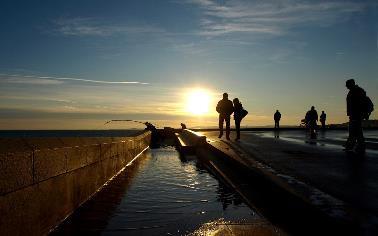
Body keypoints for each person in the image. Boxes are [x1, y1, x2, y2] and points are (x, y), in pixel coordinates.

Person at [344, 79, 366, 153]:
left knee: (356, 131)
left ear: (351, 84)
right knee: (354, 130)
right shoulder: (353, 91)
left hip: (357, 114)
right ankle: (353, 146)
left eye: (347, 85)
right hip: (354, 114)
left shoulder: (357, 91)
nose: (346, 87)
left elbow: (360, 103)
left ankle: (358, 146)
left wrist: (361, 113)